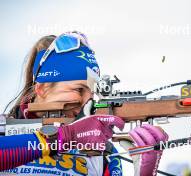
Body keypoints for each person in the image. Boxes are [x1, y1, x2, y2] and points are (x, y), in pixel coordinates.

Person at [0, 31, 168, 176]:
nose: (86, 101)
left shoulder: (102, 150)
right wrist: (65, 136)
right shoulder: (3, 129)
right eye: (79, 89)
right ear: (42, 88)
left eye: (92, 94)